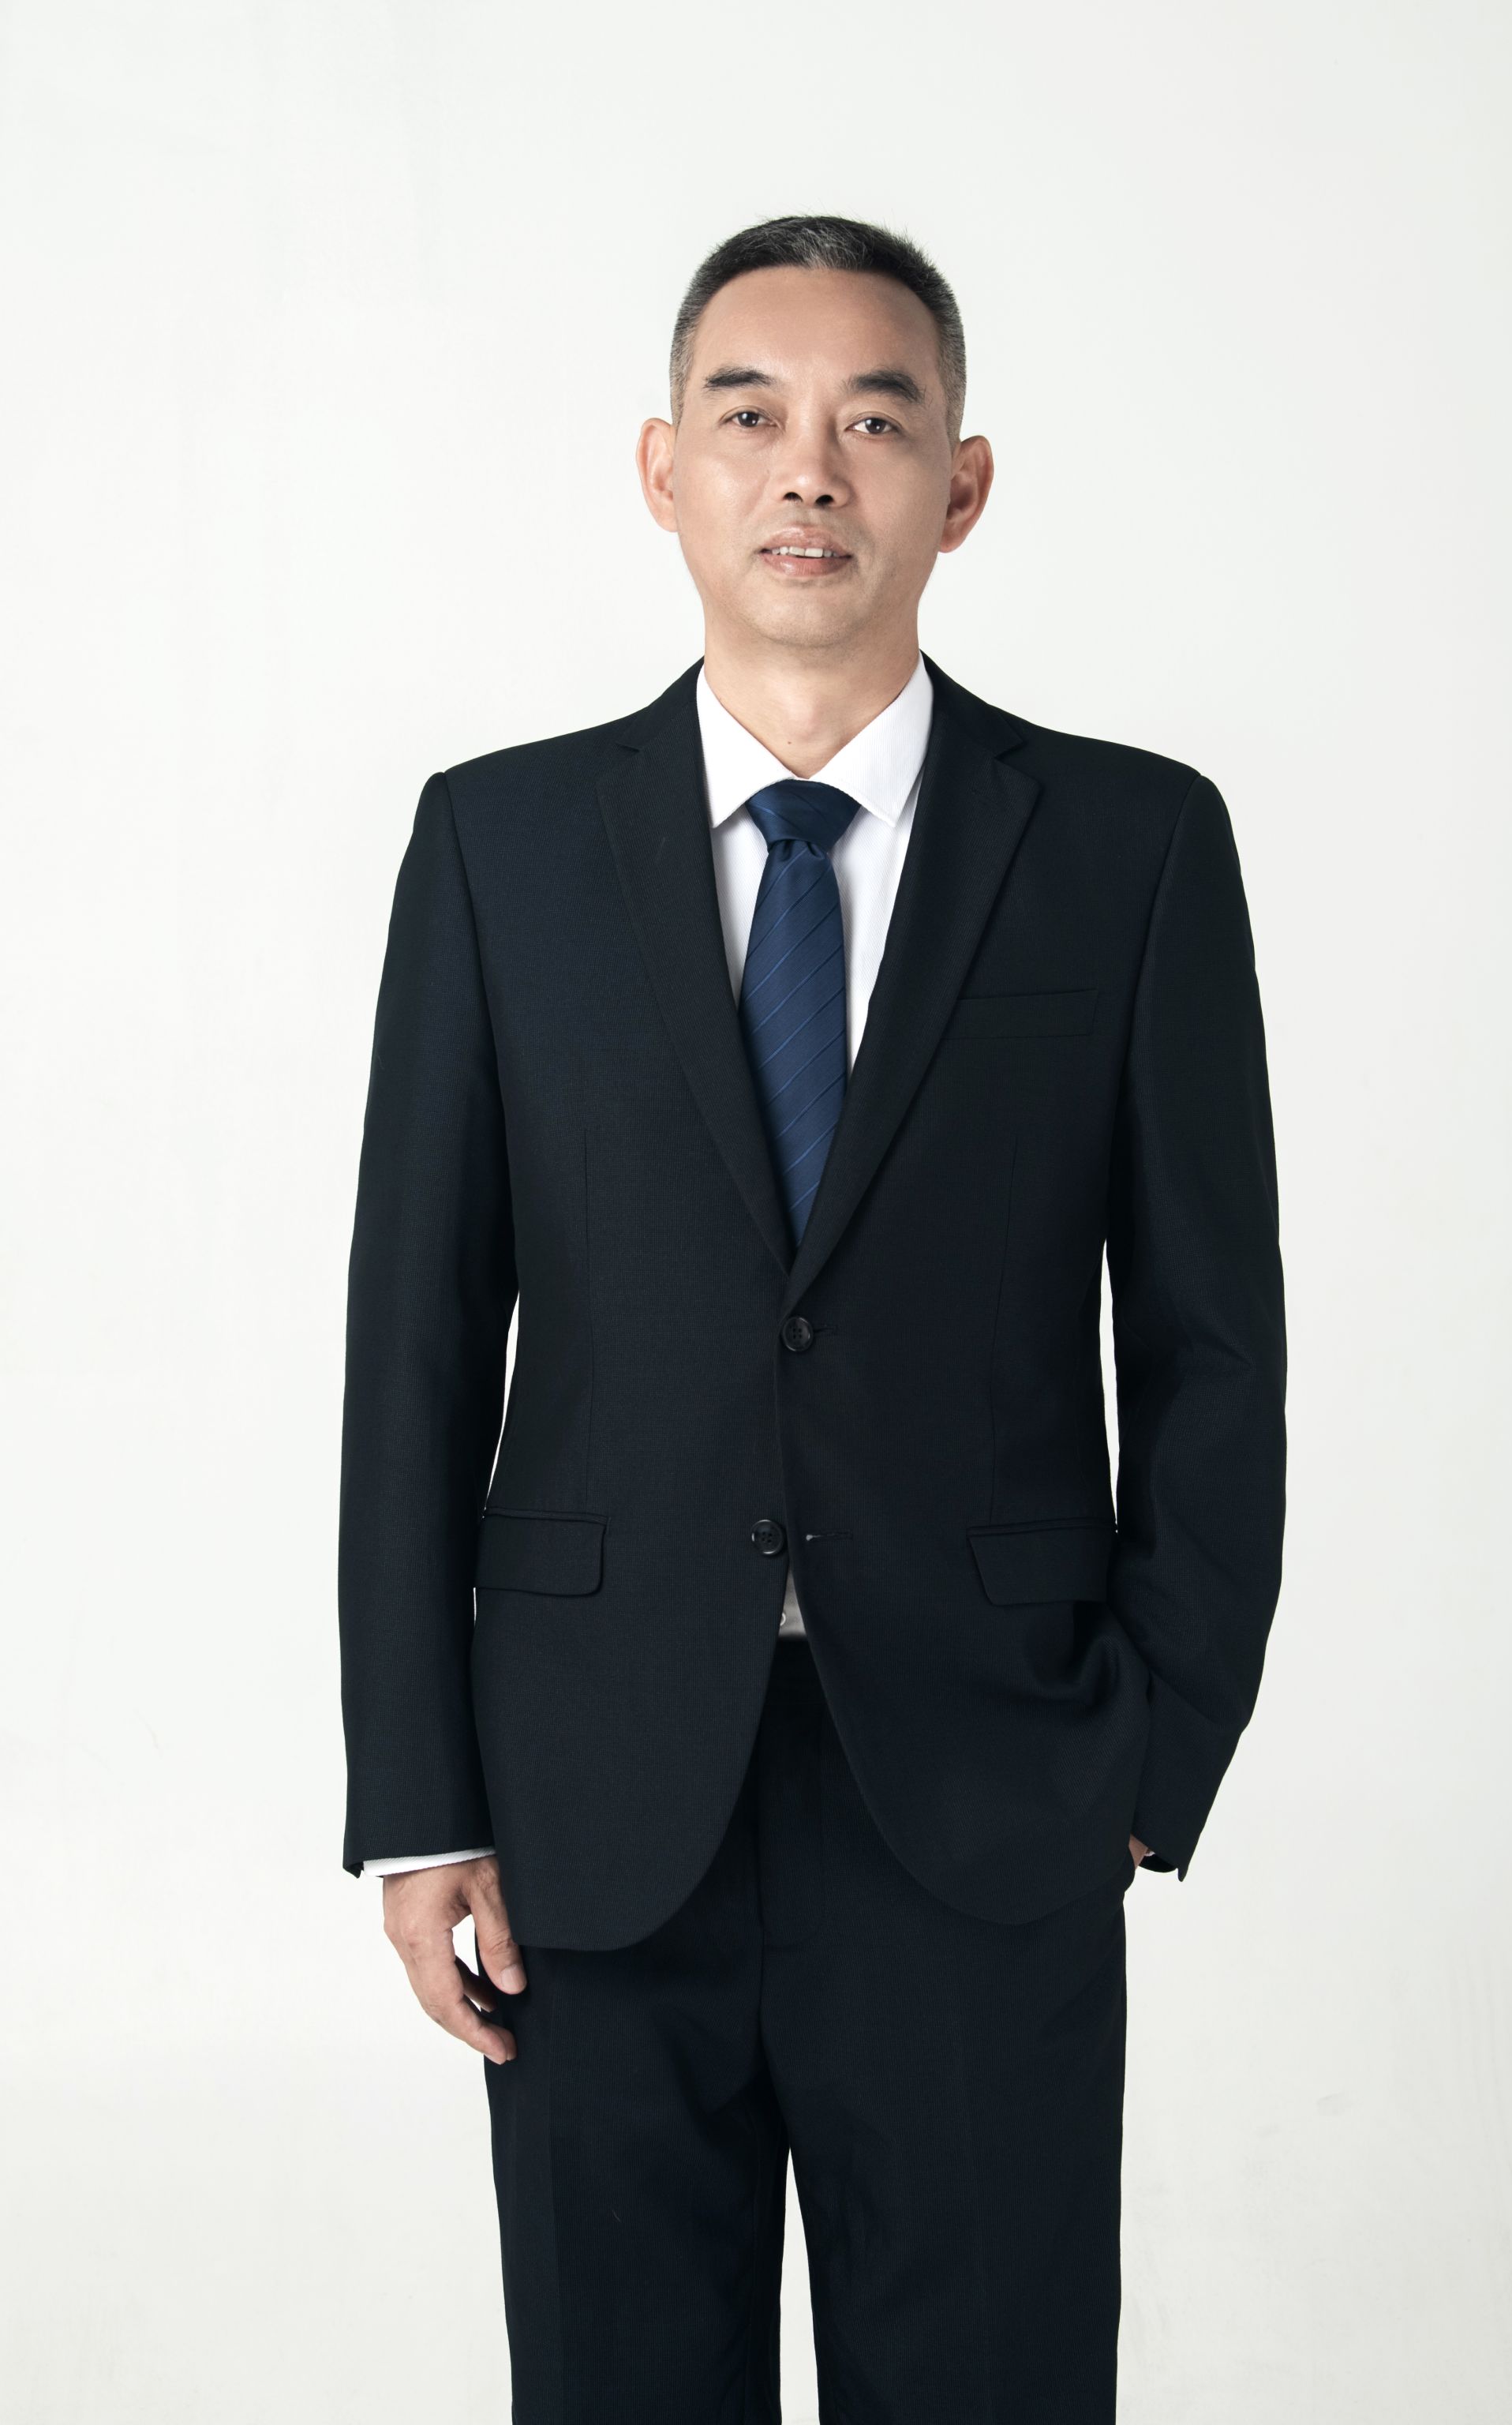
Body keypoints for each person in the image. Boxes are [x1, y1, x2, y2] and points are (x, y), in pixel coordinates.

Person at [338, 212, 1287, 2423]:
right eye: (751, 414)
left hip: (987, 1786)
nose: (810, 470)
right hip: (588, 1800)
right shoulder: (499, 848)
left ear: (963, 486)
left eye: (877, 419)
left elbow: (1213, 1338)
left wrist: (1156, 1752)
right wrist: (418, 1792)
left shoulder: (1132, 847)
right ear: (660, 467)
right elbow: (415, 1341)